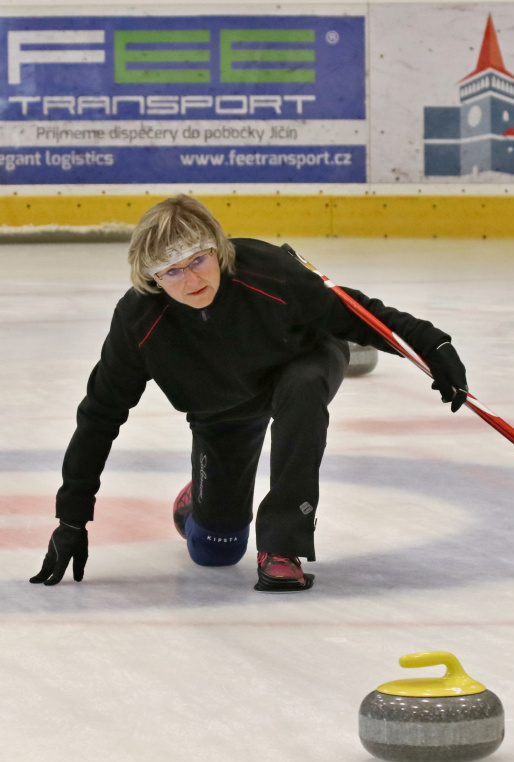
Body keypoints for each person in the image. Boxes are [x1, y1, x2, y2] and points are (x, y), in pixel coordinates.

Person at [29, 195, 468, 592]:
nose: (191, 280)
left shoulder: (268, 270)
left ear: (218, 249)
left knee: (303, 388)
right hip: (221, 410)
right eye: (172, 271)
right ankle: (198, 502)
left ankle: (282, 547)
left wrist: (433, 346)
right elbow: (100, 416)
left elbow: (357, 312)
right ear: (153, 278)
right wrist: (72, 519)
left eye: (199, 260)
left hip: (300, 360)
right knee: (215, 550)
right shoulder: (138, 322)